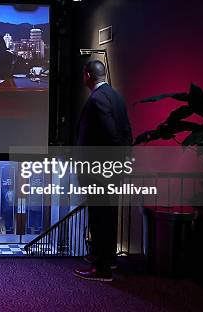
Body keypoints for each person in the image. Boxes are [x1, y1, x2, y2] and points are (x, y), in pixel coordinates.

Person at [74, 60, 132, 282]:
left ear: (88, 75)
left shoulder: (97, 99)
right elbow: (127, 131)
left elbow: (109, 135)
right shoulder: (116, 96)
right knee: (108, 214)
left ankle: (102, 268)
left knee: (99, 216)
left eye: (83, 75)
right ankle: (108, 259)